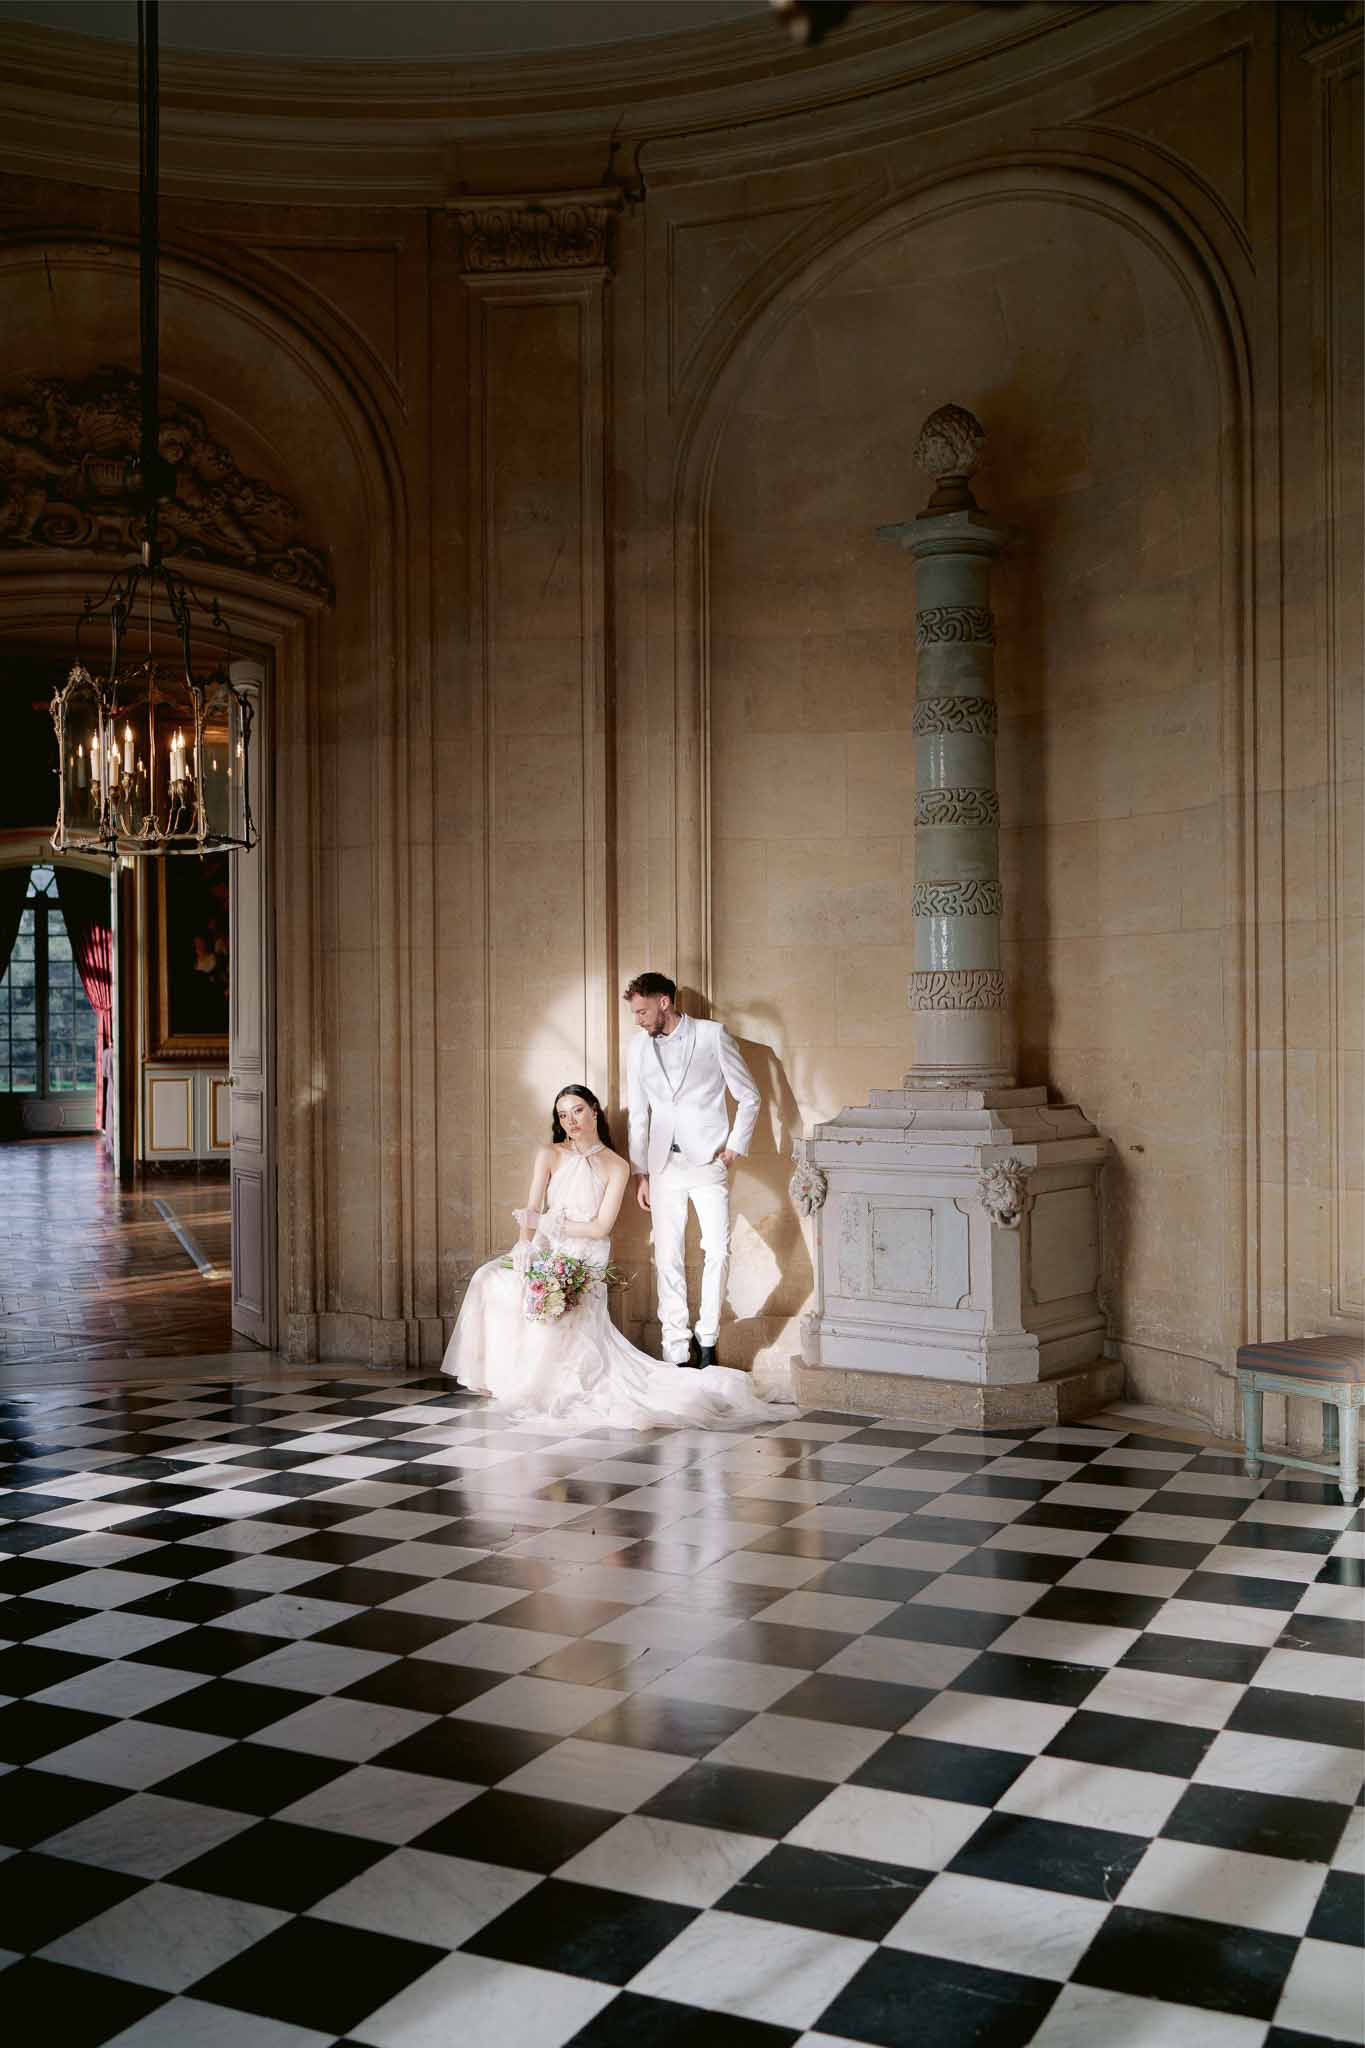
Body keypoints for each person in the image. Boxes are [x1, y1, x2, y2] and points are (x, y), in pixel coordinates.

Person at [440, 1082, 788, 1427]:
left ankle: (535, 1380)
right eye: (563, 1115)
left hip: (585, 1257)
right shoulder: (549, 1153)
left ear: (594, 1111)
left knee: (557, 1307)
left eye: (577, 1111)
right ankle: (497, 1377)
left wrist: (546, 1223)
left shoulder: (616, 1166)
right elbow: (531, 1207)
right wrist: (525, 1243)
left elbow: (599, 1228)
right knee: (488, 1277)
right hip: (547, 1248)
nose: (571, 1121)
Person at [624, 971, 760, 1369]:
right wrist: (640, 1172)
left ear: (664, 1002)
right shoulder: (638, 1047)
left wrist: (734, 1147)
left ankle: (708, 1337)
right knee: (667, 1256)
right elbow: (638, 1113)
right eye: (634, 1012)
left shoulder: (712, 1035)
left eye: (643, 1011)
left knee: (717, 1249)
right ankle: (676, 1349)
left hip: (707, 1161)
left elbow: (749, 1096)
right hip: (662, 1164)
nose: (638, 1020)